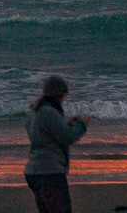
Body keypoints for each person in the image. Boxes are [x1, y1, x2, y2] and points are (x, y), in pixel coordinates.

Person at [24, 75, 87, 213]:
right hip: (49, 172)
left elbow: (46, 137)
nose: (64, 99)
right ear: (58, 95)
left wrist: (67, 124)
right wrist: (82, 125)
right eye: (64, 95)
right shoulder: (49, 112)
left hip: (33, 172)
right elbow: (67, 137)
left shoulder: (34, 112)